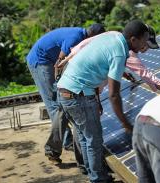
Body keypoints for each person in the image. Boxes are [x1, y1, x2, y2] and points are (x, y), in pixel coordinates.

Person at [56, 20, 151, 182]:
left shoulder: (113, 35)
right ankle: (98, 179)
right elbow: (114, 95)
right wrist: (126, 123)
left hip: (65, 90)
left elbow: (92, 64)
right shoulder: (120, 51)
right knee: (94, 139)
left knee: (85, 137)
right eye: (144, 39)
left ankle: (92, 173)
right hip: (78, 94)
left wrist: (97, 101)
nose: (145, 44)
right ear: (134, 39)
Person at [26, 24, 105, 164]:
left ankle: (64, 141)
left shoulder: (82, 37)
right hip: (41, 62)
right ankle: (62, 143)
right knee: (55, 104)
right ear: (92, 36)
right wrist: (60, 85)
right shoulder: (75, 38)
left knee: (61, 105)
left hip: (50, 61)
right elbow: (59, 62)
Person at [58, 25, 160, 92]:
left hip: (70, 70)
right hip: (80, 82)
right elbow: (148, 77)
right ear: (137, 39)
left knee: (65, 110)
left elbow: (87, 47)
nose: (146, 49)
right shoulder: (126, 51)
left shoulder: (114, 35)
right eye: (146, 44)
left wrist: (124, 73)